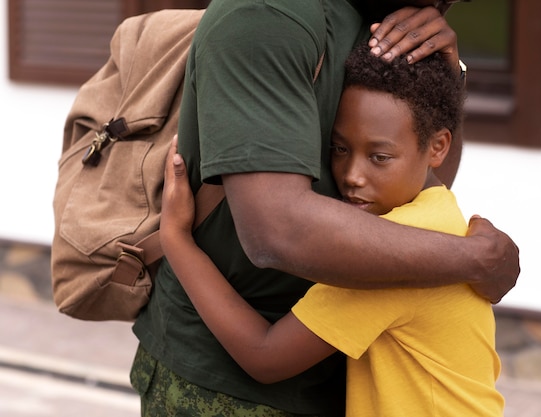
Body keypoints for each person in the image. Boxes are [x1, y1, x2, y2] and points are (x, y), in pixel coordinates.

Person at [131, 1, 520, 415]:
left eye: (378, 157)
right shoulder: (268, 14)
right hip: (227, 393)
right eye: (338, 149)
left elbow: (423, 175)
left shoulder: (402, 251)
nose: (352, 175)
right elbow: (276, 231)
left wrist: (449, 74)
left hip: (319, 375)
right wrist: (472, 257)